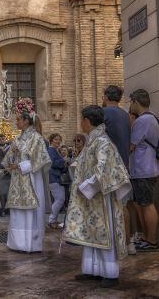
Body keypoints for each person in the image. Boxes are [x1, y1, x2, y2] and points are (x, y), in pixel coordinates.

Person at [64, 105, 131, 288]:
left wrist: (84, 186)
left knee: (103, 232)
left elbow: (103, 171)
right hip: (91, 197)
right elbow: (82, 163)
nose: (80, 124)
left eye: (81, 120)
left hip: (101, 198)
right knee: (90, 232)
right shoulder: (93, 141)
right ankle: (93, 270)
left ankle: (110, 273)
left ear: (87, 121)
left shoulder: (103, 142)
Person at [2, 98, 51, 253]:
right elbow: (8, 159)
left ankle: (30, 244)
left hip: (31, 180)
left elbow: (41, 159)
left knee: (30, 212)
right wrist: (12, 158)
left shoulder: (36, 138)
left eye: (18, 119)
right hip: (17, 181)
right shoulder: (17, 139)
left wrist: (21, 165)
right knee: (17, 212)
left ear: (26, 121)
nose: (16, 122)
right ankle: (17, 243)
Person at [102, 85, 135, 255]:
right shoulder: (125, 115)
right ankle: (130, 243)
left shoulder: (104, 114)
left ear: (106, 96)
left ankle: (117, 242)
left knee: (112, 207)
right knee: (124, 206)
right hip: (125, 165)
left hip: (110, 167)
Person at [129, 89, 159, 251]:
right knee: (145, 203)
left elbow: (131, 146)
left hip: (143, 169)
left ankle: (152, 240)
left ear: (136, 102)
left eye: (131, 102)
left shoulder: (143, 121)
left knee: (147, 205)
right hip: (147, 168)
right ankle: (148, 238)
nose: (130, 105)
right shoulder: (152, 118)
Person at [47, 133, 67, 229]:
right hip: (54, 178)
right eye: (56, 139)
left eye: (59, 140)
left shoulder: (54, 150)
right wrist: (64, 161)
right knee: (60, 199)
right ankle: (52, 220)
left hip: (55, 177)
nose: (58, 141)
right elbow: (53, 163)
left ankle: (53, 219)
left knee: (59, 199)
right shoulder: (51, 150)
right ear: (51, 140)